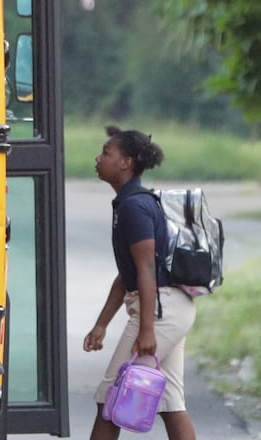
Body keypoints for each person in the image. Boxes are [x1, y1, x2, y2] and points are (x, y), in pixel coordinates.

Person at [84, 126, 197, 440]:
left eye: (106, 153)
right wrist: (101, 324)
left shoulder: (135, 206)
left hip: (161, 311)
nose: (98, 158)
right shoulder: (127, 203)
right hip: (166, 307)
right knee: (171, 402)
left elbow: (146, 269)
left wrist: (147, 328)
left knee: (111, 397)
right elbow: (128, 274)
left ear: (126, 163)